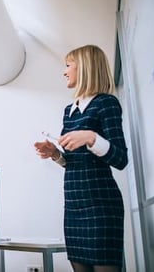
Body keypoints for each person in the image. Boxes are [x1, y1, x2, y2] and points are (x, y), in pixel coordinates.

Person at [34, 45, 128, 272]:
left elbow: (121, 158)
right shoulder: (69, 110)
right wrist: (56, 154)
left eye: (68, 65)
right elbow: (75, 161)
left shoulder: (106, 103)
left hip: (101, 205)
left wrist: (91, 137)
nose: (64, 72)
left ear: (84, 67)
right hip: (74, 205)